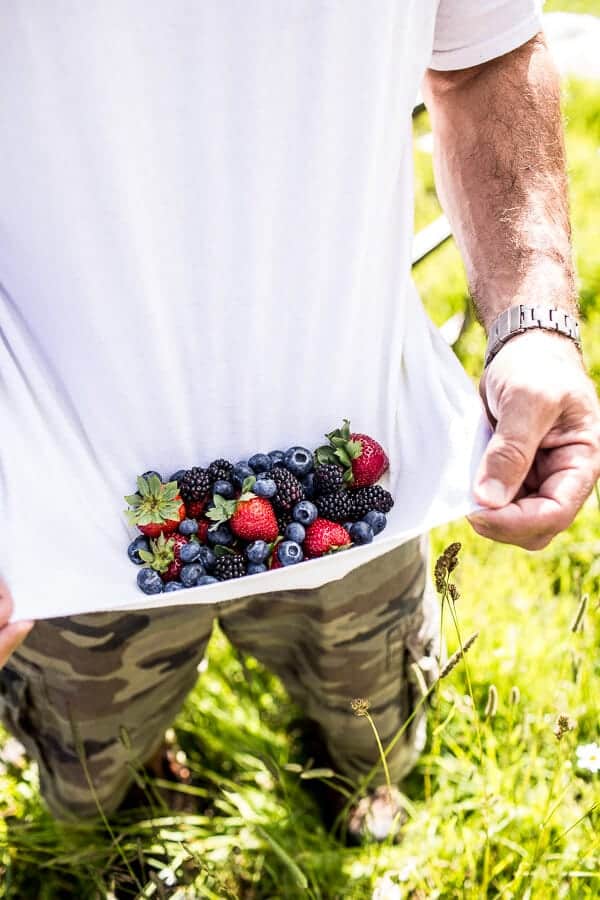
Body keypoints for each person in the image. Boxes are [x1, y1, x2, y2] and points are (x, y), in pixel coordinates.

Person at [0, 1, 599, 841]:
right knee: (91, 764)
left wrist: (535, 320)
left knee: (370, 719)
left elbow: (482, 56)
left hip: (350, 478)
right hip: (50, 497)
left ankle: (358, 791)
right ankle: (127, 825)